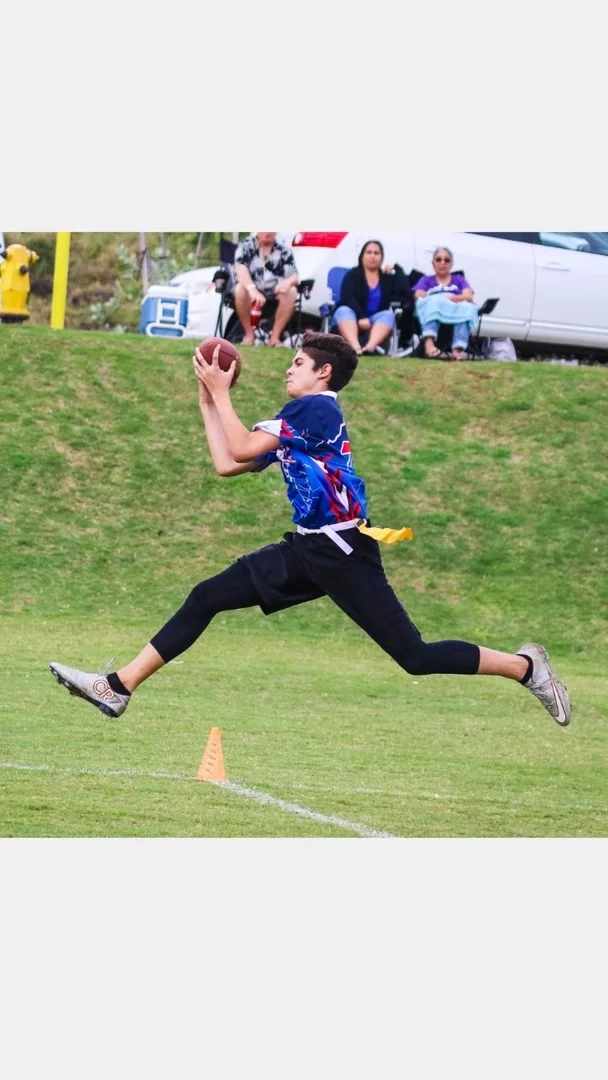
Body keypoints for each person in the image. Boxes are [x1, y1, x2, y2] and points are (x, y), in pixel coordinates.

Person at [49, 332, 571, 732]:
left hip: (344, 551)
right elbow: (227, 463)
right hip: (309, 547)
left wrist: (221, 392)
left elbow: (242, 447)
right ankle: (117, 688)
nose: (287, 369)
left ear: (323, 373)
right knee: (206, 596)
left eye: (297, 363)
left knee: (415, 656)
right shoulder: (297, 417)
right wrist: (210, 403)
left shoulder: (316, 409)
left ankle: (525, 667)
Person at [333, 240, 408, 355]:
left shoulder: (386, 278)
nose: (372, 256)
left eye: (376, 253)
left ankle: (370, 347)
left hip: (374, 319)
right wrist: (361, 316)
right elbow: (347, 297)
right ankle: (355, 347)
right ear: (362, 256)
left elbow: (404, 290)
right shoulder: (353, 274)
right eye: (369, 252)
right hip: (352, 316)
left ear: (382, 257)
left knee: (388, 314)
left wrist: (397, 268)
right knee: (343, 310)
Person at [233, 232, 299, 346]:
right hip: (252, 287)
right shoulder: (246, 244)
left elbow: (295, 275)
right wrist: (252, 289)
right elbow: (240, 268)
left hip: (275, 289)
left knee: (292, 291)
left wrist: (287, 283)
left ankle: (274, 338)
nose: (268, 232)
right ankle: (249, 336)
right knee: (239, 290)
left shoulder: (283, 248)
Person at [413, 247, 478, 361]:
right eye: (438, 259)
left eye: (446, 260)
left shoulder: (459, 279)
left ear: (451, 264)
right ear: (433, 263)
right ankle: (429, 345)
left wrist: (451, 298)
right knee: (432, 302)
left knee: (468, 308)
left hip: (455, 309)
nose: (442, 263)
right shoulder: (426, 280)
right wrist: (439, 299)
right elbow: (419, 295)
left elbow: (469, 296)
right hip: (434, 309)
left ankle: (457, 349)